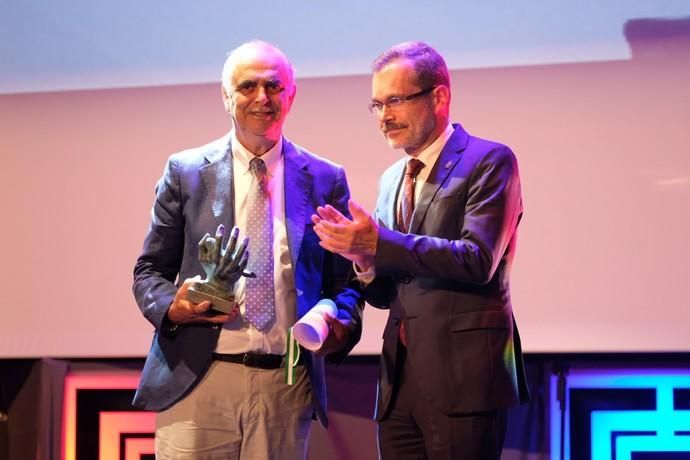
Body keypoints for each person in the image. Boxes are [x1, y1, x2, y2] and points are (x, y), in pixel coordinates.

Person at [132, 40, 363, 459]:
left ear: (291, 95)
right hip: (199, 379)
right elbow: (149, 272)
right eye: (247, 87)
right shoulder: (186, 173)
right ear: (226, 97)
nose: (262, 98)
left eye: (274, 86)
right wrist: (176, 306)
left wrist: (340, 325)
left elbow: (345, 284)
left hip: (285, 387)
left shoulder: (326, 178)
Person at [312, 41, 529, 459]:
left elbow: (478, 259)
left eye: (395, 100)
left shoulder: (489, 160)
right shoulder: (392, 178)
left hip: (465, 381)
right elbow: (382, 293)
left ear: (440, 96)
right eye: (376, 105)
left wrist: (379, 243)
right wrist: (363, 260)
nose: (384, 117)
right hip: (399, 384)